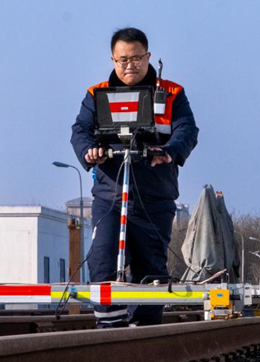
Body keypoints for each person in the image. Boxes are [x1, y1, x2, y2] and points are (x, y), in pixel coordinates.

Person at [70, 27, 198, 328]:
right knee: (102, 260)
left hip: (155, 197)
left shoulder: (172, 93)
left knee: (151, 272)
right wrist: (89, 151)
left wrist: (169, 151)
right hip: (110, 198)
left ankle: (143, 336)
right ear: (113, 60)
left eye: (137, 58)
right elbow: (80, 131)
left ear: (148, 56)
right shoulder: (96, 94)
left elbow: (187, 130)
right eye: (123, 60)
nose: (131, 65)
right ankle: (109, 330)